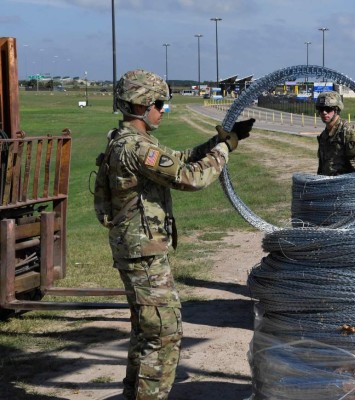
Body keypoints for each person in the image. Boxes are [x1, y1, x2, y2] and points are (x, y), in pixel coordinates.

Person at [93, 69, 254, 400]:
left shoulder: (127, 142)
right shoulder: (137, 148)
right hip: (144, 253)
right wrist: (225, 149)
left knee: (146, 331)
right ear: (143, 105)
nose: (163, 111)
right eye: (160, 104)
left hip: (138, 249)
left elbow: (177, 159)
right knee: (163, 334)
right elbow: (189, 177)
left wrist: (220, 141)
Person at [315, 91, 355, 175]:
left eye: (328, 109)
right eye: (321, 109)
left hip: (344, 185)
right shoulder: (324, 136)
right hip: (328, 184)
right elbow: (322, 167)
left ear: (337, 110)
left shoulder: (349, 132)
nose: (324, 112)